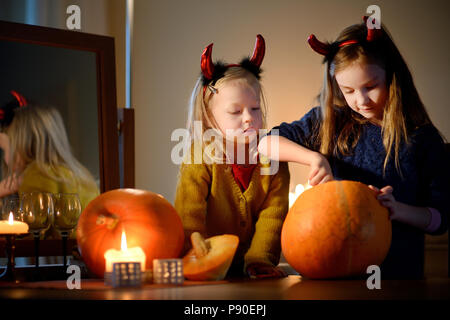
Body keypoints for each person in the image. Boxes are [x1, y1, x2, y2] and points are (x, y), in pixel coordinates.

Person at [258, 18, 450, 279]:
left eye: (370, 87)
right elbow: (266, 143)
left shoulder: (421, 139)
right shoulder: (332, 122)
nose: (360, 100)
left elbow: (440, 219)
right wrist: (314, 159)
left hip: (398, 277)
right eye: (348, 90)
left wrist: (397, 210)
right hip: (334, 272)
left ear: (392, 77)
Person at [174, 35, 290, 279]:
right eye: (235, 111)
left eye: (255, 109)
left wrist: (260, 259)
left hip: (253, 271)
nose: (248, 117)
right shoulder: (200, 156)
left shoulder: (274, 158)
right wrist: (195, 253)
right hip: (206, 266)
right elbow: (189, 212)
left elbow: (273, 215)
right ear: (209, 117)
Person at [0, 91, 99, 239]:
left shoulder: (36, 174)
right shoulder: (78, 172)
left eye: (5, 149)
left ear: (24, 145)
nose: (5, 159)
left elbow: (32, 237)